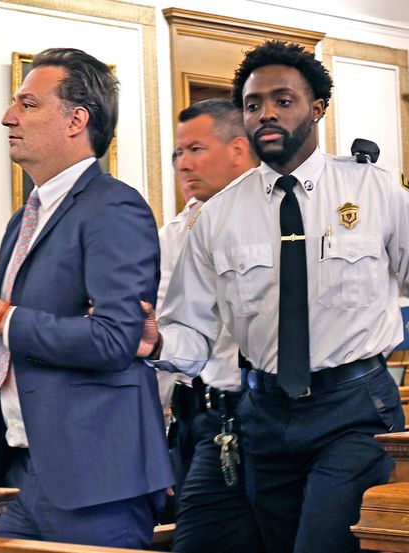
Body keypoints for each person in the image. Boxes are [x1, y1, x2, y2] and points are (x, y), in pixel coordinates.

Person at [156, 40, 409, 553]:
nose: (266, 114)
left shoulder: (378, 192)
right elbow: (190, 332)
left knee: (323, 542)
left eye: (283, 100)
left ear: (318, 108)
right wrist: (155, 343)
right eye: (253, 105)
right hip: (264, 416)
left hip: (354, 409)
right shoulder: (216, 217)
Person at [0, 47, 172, 547]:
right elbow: (9, 331)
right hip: (18, 466)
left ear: (76, 120)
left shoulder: (114, 207)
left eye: (28, 104)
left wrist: (1, 318)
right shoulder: (25, 218)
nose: (8, 117)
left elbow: (114, 340)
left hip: (94, 474)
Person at [155, 98, 263, 552]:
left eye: (195, 149)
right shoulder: (169, 238)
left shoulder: (282, 216)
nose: (183, 164)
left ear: (238, 149)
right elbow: (161, 339)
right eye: (177, 153)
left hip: (271, 410)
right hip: (201, 415)